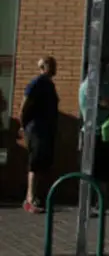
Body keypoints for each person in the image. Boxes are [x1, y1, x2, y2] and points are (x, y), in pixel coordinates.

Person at [78, 63, 109, 212]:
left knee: (102, 169)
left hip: (101, 133)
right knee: (95, 169)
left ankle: (102, 200)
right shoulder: (91, 87)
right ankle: (90, 203)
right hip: (96, 134)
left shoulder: (96, 86)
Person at [20, 56, 59, 214]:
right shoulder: (38, 83)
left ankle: (34, 197)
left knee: (43, 164)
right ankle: (30, 199)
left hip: (46, 129)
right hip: (36, 129)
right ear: (44, 67)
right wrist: (23, 126)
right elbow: (24, 104)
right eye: (52, 65)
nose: (55, 68)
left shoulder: (49, 84)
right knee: (35, 163)